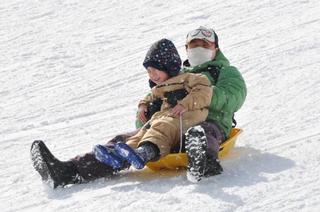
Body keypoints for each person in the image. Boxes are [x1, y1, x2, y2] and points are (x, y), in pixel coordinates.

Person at [30, 38, 213, 188]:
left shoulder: (191, 78)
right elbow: (149, 97)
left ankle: (142, 153)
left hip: (184, 122)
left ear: (169, 66)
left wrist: (185, 103)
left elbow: (205, 91)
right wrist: (143, 106)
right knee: (128, 139)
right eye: (148, 71)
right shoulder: (160, 88)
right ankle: (70, 171)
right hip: (163, 121)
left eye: (155, 70)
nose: (152, 75)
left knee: (160, 127)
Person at [136, 26, 247, 182]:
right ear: (187, 49)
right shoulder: (177, 74)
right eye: (194, 45)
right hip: (175, 125)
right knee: (133, 136)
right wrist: (147, 112)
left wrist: (194, 97)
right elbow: (151, 98)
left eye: (205, 45)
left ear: (215, 48)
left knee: (202, 131)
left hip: (211, 122)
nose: (199, 48)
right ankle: (99, 163)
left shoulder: (225, 71)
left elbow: (233, 97)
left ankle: (204, 160)